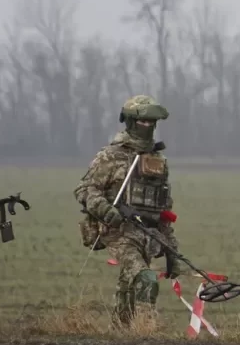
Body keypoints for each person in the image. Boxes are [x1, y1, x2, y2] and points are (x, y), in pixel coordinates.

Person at [74, 94, 182, 325]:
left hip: (147, 234)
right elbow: (84, 190)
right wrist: (105, 210)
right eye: (144, 122)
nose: (149, 127)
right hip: (118, 231)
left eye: (152, 123)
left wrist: (171, 249)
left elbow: (164, 209)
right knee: (146, 278)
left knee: (128, 285)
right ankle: (146, 328)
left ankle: (122, 332)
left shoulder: (157, 160)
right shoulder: (112, 156)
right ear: (131, 122)